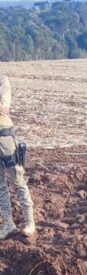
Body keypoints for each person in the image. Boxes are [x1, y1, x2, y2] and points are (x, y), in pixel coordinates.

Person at [0, 71, 35, 240]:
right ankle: (8, 224)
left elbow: (3, 108)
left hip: (5, 137)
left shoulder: (2, 81)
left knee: (18, 180)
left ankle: (30, 222)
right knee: (0, 186)